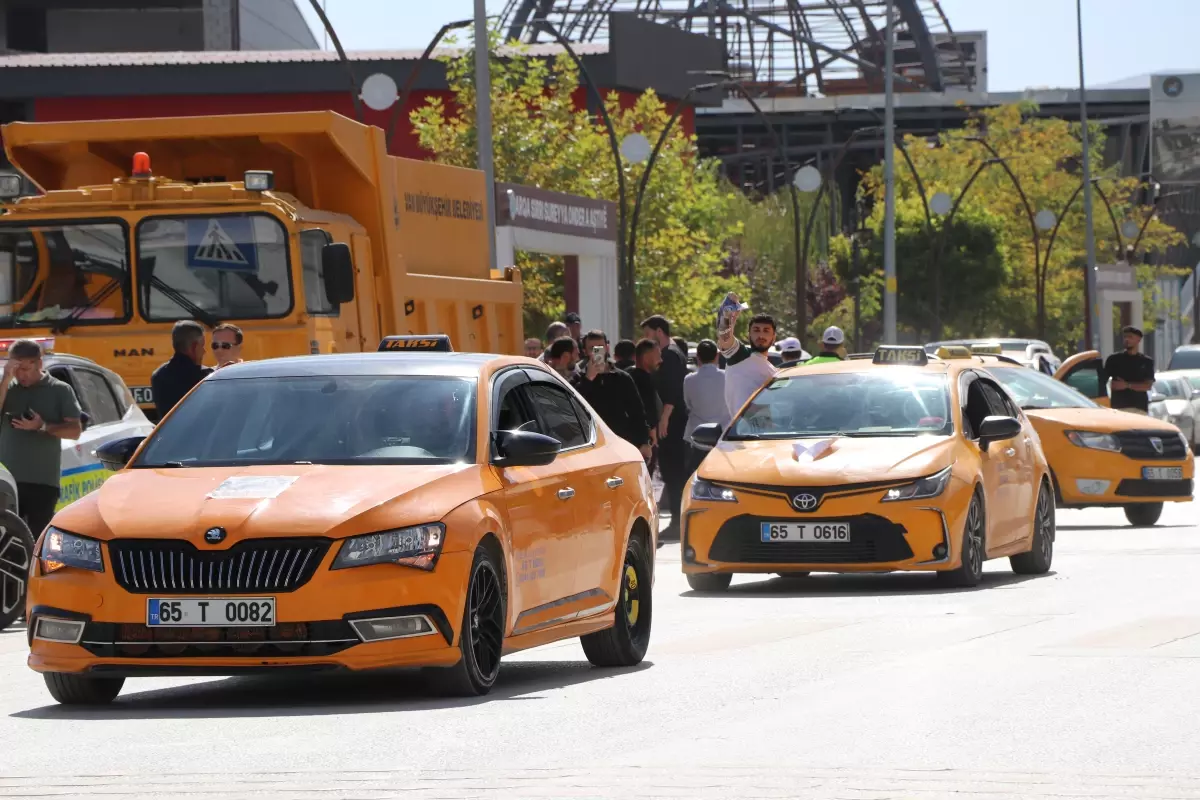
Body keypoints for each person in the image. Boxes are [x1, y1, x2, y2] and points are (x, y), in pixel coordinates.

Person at [0, 339, 83, 538]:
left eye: (26, 369)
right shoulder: (8, 389)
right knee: (8, 539)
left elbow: (75, 430)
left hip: (42, 482)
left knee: (39, 539)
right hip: (8, 481)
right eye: (16, 369)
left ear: (39, 364)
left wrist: (42, 426)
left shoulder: (60, 390)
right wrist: (5, 379)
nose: (21, 375)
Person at [641, 315, 689, 538]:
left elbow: (673, 391)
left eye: (648, 333)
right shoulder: (672, 353)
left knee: (673, 471)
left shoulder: (670, 355)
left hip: (672, 421)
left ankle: (678, 523)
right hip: (670, 420)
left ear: (659, 331)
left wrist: (664, 419)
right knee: (670, 472)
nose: (646, 338)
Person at [572, 330, 652, 459]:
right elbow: (574, 407)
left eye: (599, 348)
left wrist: (644, 442)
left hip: (620, 442)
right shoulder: (578, 378)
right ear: (585, 351)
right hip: (591, 445)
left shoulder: (622, 377)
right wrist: (588, 379)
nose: (596, 352)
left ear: (607, 347)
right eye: (591, 348)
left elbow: (637, 412)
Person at [716, 297, 778, 419]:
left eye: (766, 331)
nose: (761, 335)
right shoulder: (740, 356)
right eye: (756, 330)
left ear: (774, 337)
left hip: (769, 431)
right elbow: (725, 337)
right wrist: (726, 315)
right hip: (743, 432)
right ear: (749, 334)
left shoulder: (773, 370)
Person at [683, 339, 731, 474]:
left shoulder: (689, 379)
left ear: (698, 357)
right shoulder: (727, 376)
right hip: (723, 436)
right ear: (717, 355)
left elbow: (688, 403)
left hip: (696, 438)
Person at [151, 320, 213, 419]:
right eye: (202, 346)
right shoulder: (204, 377)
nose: (204, 351)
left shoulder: (158, 375)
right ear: (194, 347)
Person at [1105, 326, 1155, 414]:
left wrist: (1127, 385)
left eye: (1130, 337)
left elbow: (1147, 386)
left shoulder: (1146, 361)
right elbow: (1102, 380)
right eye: (1125, 337)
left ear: (1138, 340)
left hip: (1139, 408)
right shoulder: (1114, 359)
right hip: (1119, 408)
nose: (1127, 339)